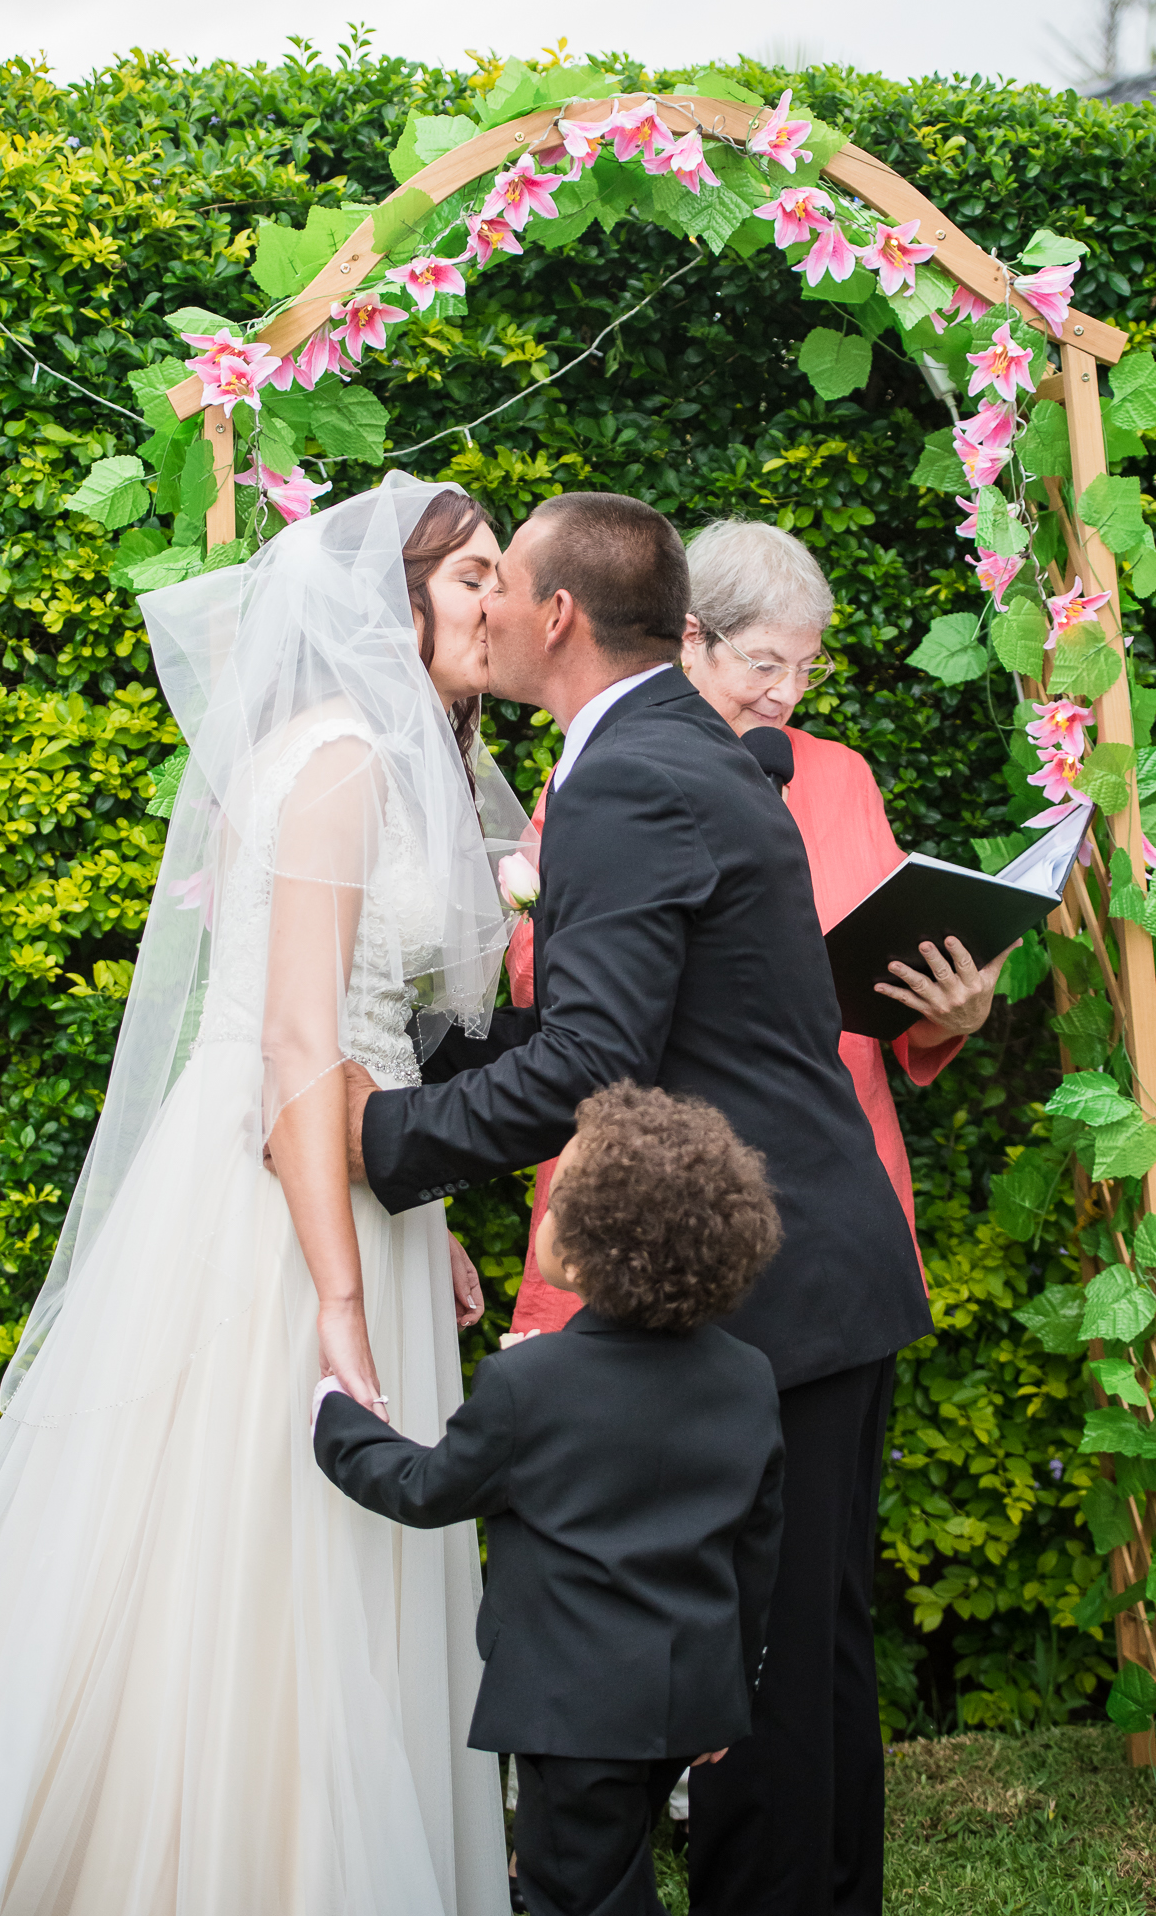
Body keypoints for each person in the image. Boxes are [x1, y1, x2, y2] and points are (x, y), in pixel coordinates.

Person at [0, 476, 522, 1916]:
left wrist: (418, 1224)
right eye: (473, 577)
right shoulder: (337, 761)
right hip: (278, 1203)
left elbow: (373, 1036)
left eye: (499, 576)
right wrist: (331, 1294)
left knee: (304, 1545)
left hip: (365, 1184)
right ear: (396, 601)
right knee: (261, 1539)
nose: (497, 603)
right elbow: (297, 1047)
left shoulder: (382, 755)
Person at [345, 488, 933, 1915]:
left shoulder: (624, 774)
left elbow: (595, 1063)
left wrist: (377, 1142)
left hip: (779, 1278)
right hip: (821, 1254)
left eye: (500, 586)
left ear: (554, 616)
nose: (477, 606)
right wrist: (428, 1058)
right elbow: (636, 1023)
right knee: (805, 1658)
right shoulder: (679, 744)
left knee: (774, 1681)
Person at [506, 519, 1008, 1341]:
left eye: (807, 668)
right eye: (765, 664)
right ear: (692, 640)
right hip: (658, 1193)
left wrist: (951, 1008)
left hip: (827, 1192)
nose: (786, 694)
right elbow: (546, 990)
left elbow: (880, 962)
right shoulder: (604, 773)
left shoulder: (841, 775)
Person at [315, 1082, 786, 1916]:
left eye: (558, 1198)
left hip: (574, 1712)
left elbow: (424, 1488)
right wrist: (733, 1692)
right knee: (614, 1866)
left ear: (601, 1241)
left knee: (574, 1894)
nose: (543, 1211)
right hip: (688, 1699)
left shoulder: (526, 1384)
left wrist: (337, 1419)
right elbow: (755, 1549)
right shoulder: (746, 1379)